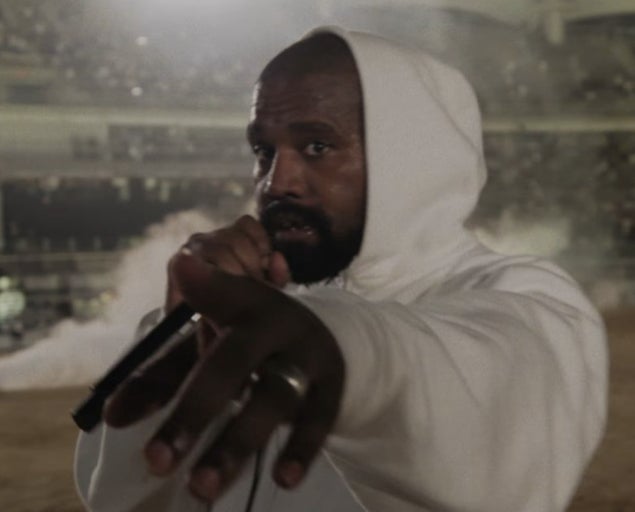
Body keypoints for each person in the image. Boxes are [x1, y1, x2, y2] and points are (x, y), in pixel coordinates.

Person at [74, 26, 608, 512]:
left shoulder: (533, 298)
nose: (276, 182)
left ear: (411, 160)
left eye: (317, 146)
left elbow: (491, 392)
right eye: (264, 150)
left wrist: (348, 354)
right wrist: (175, 334)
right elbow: (114, 497)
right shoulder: (264, 304)